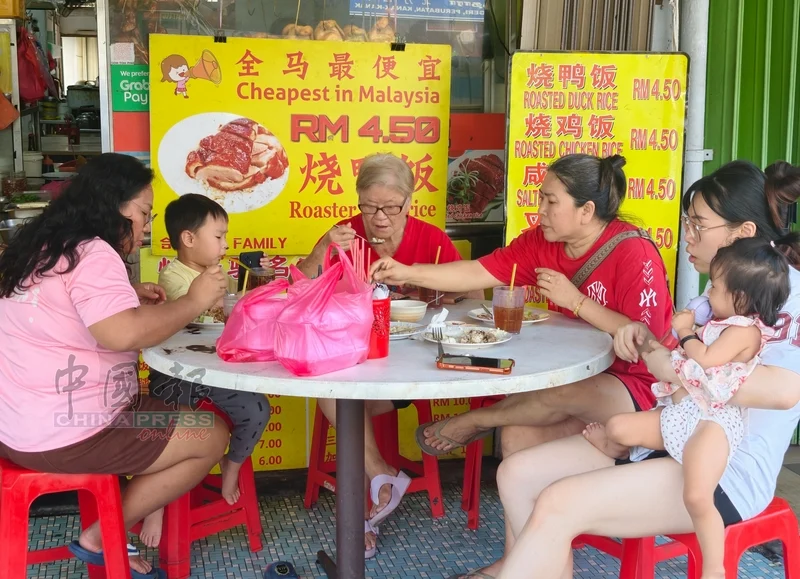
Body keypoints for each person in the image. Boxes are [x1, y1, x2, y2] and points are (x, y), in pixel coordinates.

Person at [487, 160, 800, 579]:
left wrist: (679, 367)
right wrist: (649, 343)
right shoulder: (719, 289)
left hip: (722, 472)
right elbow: (679, 365)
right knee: (516, 474)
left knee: (558, 503)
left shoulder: (789, 298)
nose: (687, 236)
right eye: (687, 222)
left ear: (741, 232)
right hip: (668, 437)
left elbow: (783, 391)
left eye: (698, 225)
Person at [370, 153, 672, 576]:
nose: (540, 210)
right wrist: (407, 271)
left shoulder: (633, 252)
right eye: (540, 198)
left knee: (561, 391)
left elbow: (647, 344)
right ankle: (519, 562)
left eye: (551, 201)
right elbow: (476, 272)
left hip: (639, 393)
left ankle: (476, 421)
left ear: (586, 211)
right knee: (516, 437)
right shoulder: (541, 243)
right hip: (585, 384)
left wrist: (575, 302)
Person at [0, 153, 230, 578]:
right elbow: (124, 334)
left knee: (165, 413)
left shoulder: (46, 246)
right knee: (211, 433)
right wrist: (193, 301)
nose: (146, 227)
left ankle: (111, 525)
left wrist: (129, 296)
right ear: (112, 206)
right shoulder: (94, 253)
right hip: (74, 431)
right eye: (143, 213)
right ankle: (101, 534)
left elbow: (73, 313)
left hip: (17, 429)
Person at [299, 152, 480, 558]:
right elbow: (299, 289)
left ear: (409, 202)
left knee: (344, 401)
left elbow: (474, 296)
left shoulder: (431, 239)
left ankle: (370, 498)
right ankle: (379, 478)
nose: (379, 218)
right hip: (359, 358)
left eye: (391, 208)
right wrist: (322, 247)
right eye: (369, 207)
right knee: (338, 390)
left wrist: (445, 293)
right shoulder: (345, 236)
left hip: (412, 368)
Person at [585, 237, 791, 579]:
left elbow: (706, 360)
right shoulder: (720, 322)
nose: (708, 293)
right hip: (685, 412)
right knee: (618, 426)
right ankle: (617, 449)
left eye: (716, 287)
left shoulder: (746, 332)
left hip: (712, 422)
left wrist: (684, 331)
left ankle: (714, 568)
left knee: (696, 496)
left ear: (740, 298)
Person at [143, 194, 272, 548]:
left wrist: (254, 280)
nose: (225, 245)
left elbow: (231, 315)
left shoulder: (217, 275)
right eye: (218, 236)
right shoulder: (173, 277)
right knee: (168, 429)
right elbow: (196, 313)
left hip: (214, 373)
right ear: (188, 238)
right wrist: (216, 297)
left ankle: (232, 464)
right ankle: (155, 502)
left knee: (258, 409)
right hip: (176, 376)